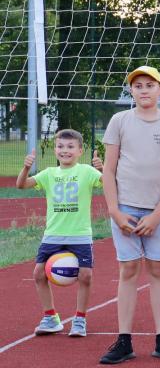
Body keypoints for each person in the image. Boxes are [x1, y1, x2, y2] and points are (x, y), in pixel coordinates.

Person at [98, 66, 160, 364]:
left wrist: (157, 215)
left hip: (158, 212)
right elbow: (109, 170)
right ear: (131, 91)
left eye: (150, 85)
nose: (144, 90)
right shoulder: (119, 121)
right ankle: (124, 340)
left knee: (158, 269)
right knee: (128, 269)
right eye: (138, 86)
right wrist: (115, 211)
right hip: (125, 209)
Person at [17, 129, 103, 337]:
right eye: (60, 146)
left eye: (70, 146)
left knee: (85, 276)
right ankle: (50, 318)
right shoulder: (49, 174)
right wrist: (26, 168)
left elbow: (110, 184)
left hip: (80, 235)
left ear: (80, 151)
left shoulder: (87, 171)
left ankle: (80, 320)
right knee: (38, 274)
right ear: (55, 150)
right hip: (53, 235)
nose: (65, 150)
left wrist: (103, 168)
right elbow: (21, 185)